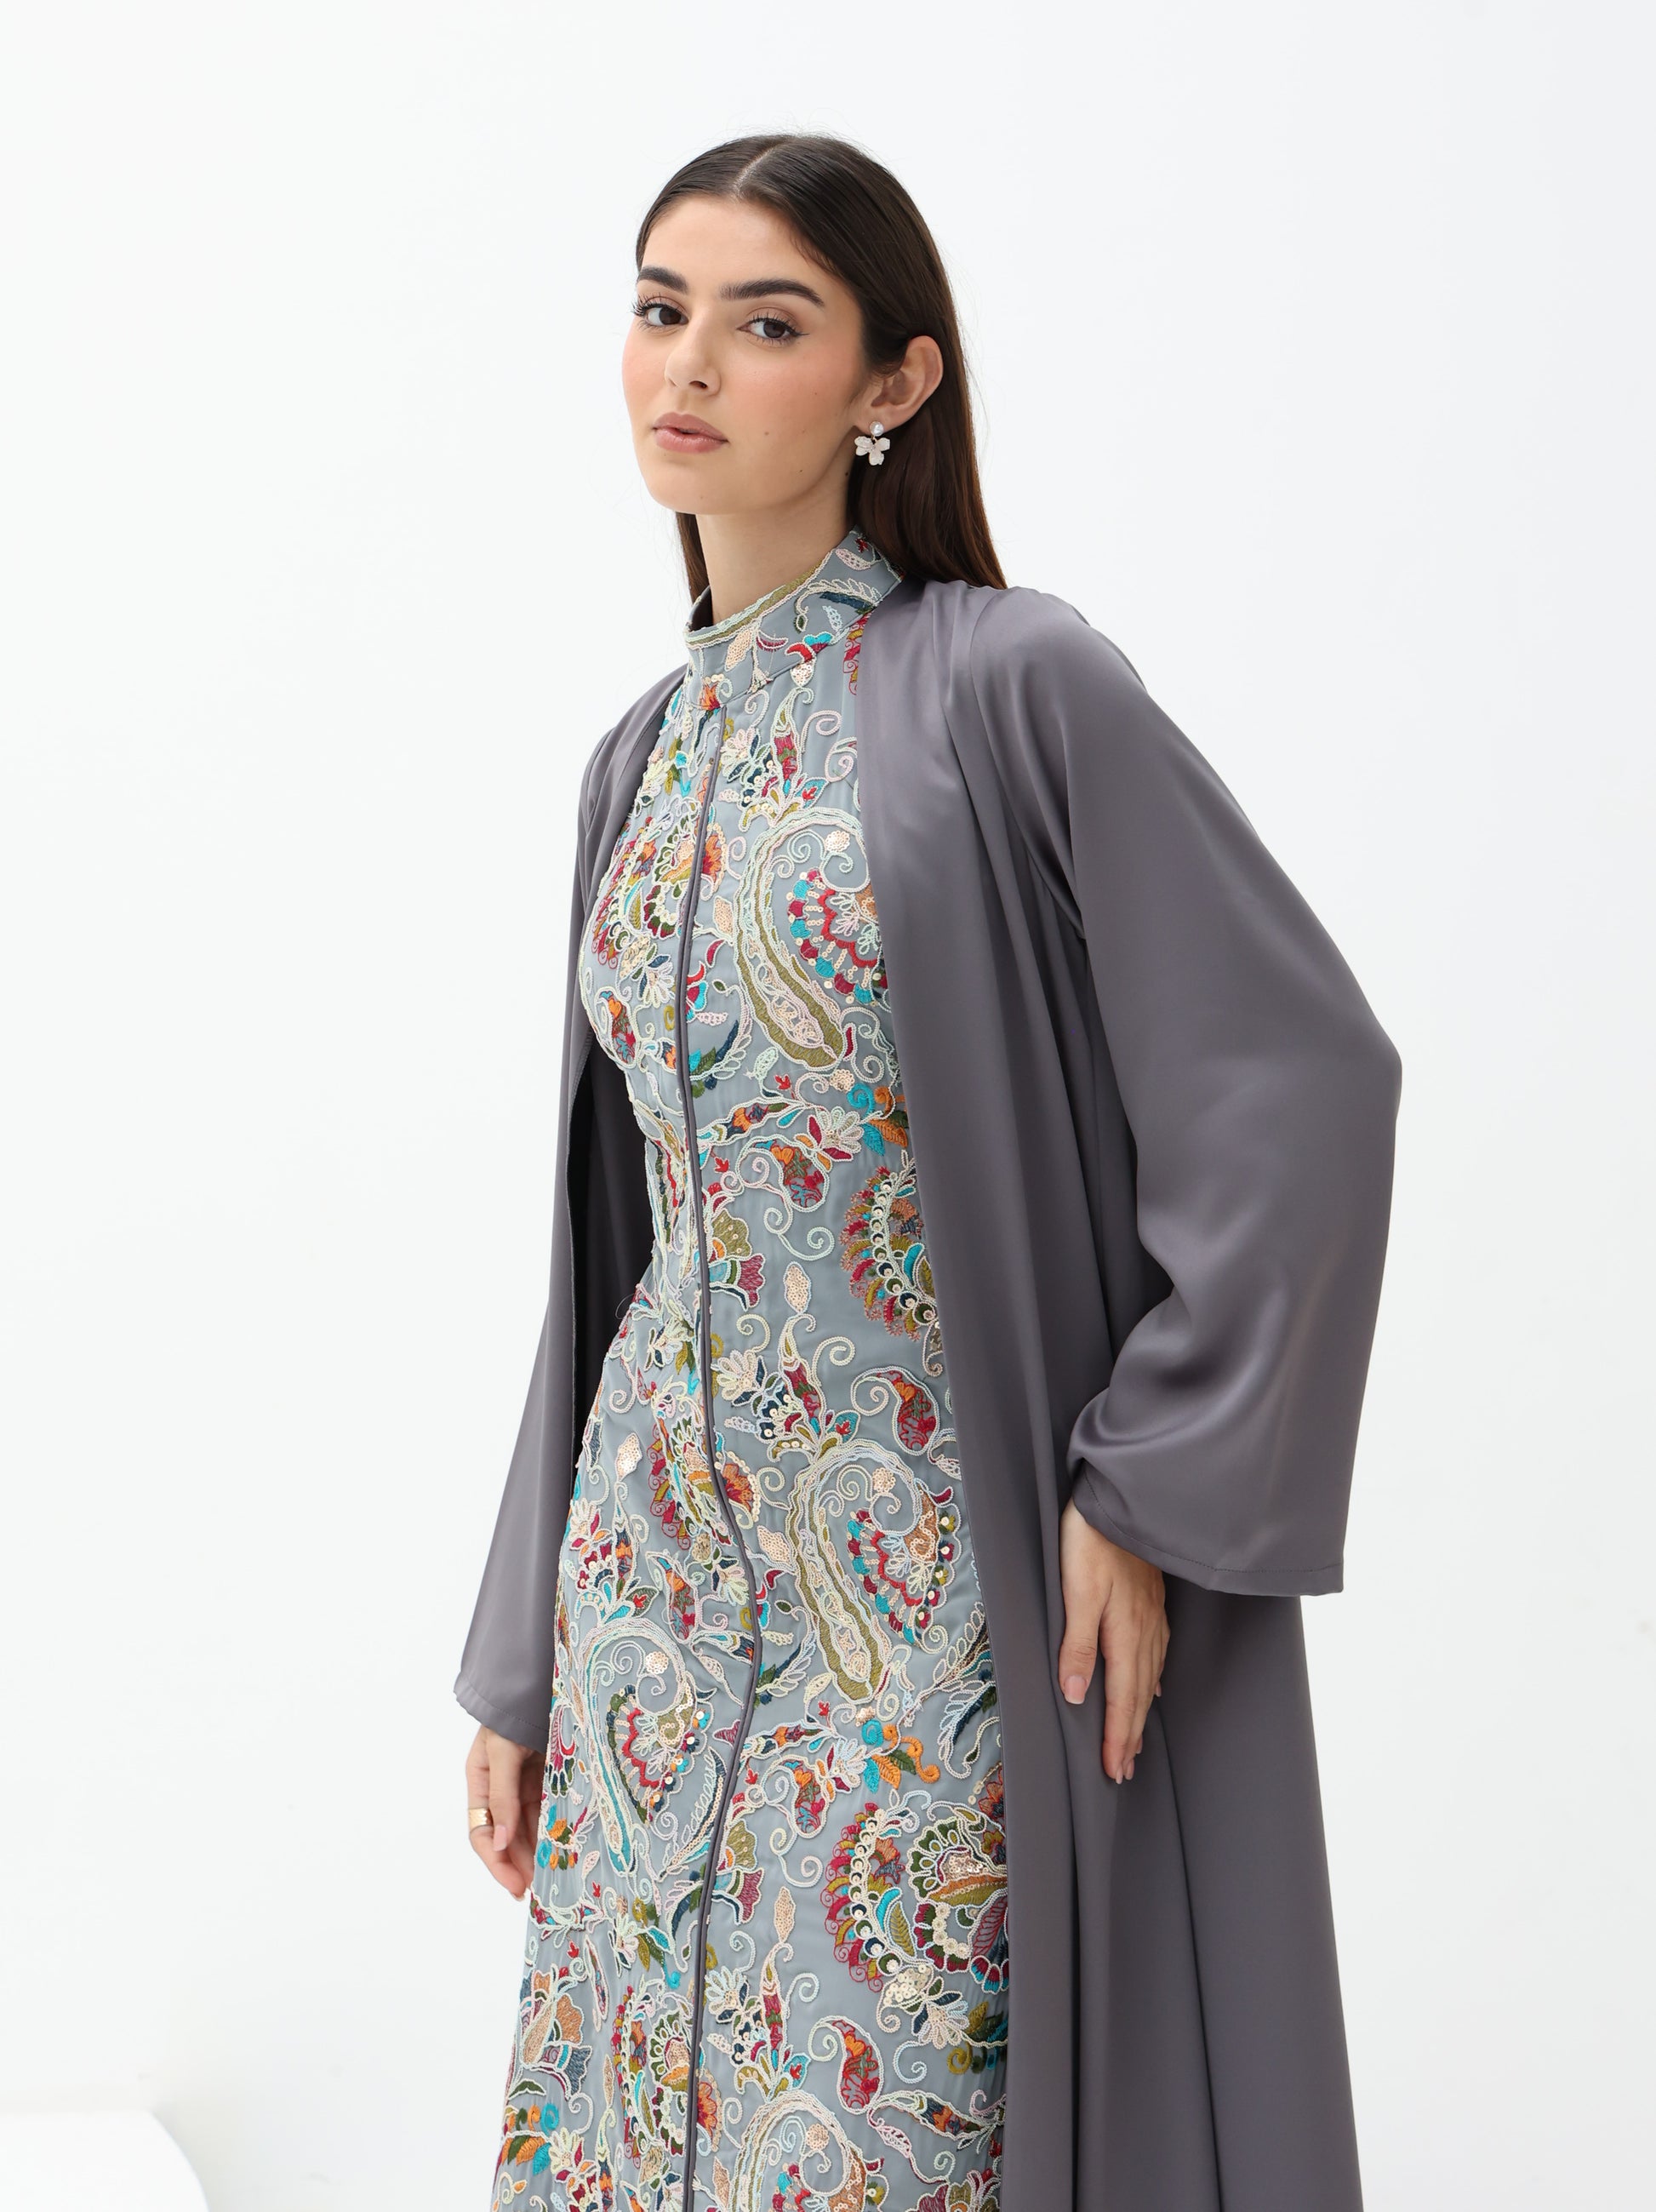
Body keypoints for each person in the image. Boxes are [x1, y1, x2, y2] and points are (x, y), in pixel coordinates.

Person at [454, 133, 1401, 2212]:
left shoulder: (1006, 688)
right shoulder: (637, 760)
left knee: (880, 2141)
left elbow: (1298, 1079)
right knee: (641, 2132)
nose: (690, 363)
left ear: (893, 382)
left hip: (925, 1614)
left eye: (765, 321)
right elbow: (623, 1250)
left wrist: (1147, 1485)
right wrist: (528, 1647)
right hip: (651, 1603)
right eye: (660, 307)